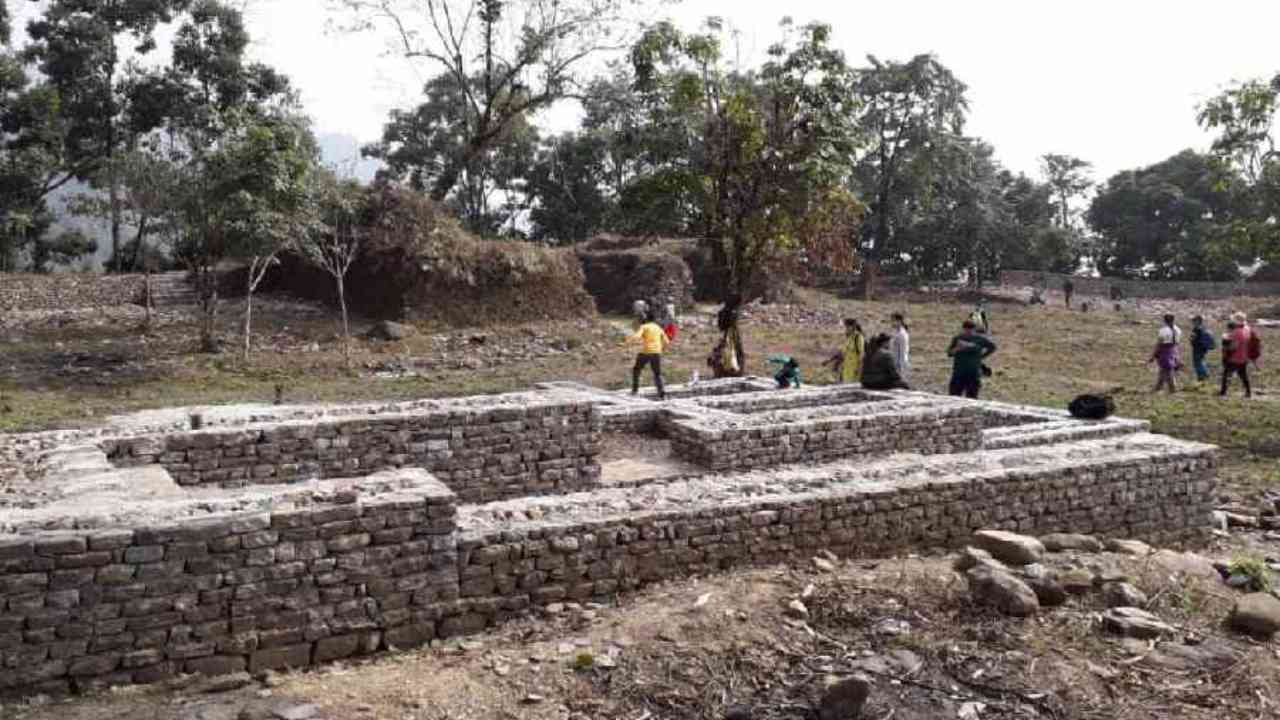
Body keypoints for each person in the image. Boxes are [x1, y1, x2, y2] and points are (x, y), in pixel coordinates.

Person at [946, 320, 997, 399]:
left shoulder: (980, 339)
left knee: (972, 398)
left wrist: (981, 356)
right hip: (959, 373)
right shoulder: (958, 338)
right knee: (953, 397)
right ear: (963, 329)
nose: (968, 332)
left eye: (970, 330)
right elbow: (949, 353)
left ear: (974, 330)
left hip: (973, 374)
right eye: (966, 330)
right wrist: (957, 348)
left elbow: (992, 347)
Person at [626, 312, 669, 400]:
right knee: (657, 373)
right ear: (654, 319)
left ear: (646, 319)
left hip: (646, 352)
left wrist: (627, 341)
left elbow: (636, 337)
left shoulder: (644, 326)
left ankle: (635, 390)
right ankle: (662, 394)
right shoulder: (658, 327)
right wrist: (661, 349)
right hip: (657, 352)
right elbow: (666, 341)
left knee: (636, 369)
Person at [1220, 312, 1256, 398]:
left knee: (1226, 374)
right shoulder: (1247, 329)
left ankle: (1223, 392)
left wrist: (1225, 347)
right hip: (1244, 357)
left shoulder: (1236, 332)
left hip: (1234, 358)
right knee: (1243, 375)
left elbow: (1234, 346)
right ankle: (1248, 392)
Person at [1148, 314, 1183, 394]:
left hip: (1165, 350)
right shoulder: (1178, 329)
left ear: (1165, 320)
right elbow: (1177, 342)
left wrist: (1153, 355)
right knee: (1164, 369)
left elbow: (1159, 343)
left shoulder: (1163, 330)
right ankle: (1159, 387)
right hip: (1173, 349)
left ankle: (1172, 388)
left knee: (1167, 370)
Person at [834, 318, 865, 383]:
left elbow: (861, 355)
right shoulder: (849, 338)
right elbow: (844, 353)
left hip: (855, 370)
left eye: (848, 326)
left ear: (853, 327)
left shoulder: (858, 337)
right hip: (846, 370)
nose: (846, 328)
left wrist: (859, 369)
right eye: (846, 327)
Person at [1189, 315, 1216, 383]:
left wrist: (1191, 339)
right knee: (1201, 362)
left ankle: (1203, 376)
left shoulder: (1196, 329)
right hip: (1203, 349)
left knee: (1197, 363)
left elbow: (1192, 338)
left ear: (1198, 321)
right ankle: (1202, 379)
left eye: (1194, 320)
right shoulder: (1204, 328)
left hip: (1197, 348)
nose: (1193, 322)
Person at [889, 312, 911, 381]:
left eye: (893, 320)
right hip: (895, 363)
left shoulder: (902, 334)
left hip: (900, 365)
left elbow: (903, 352)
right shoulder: (896, 333)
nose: (892, 323)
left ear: (899, 321)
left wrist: (901, 368)